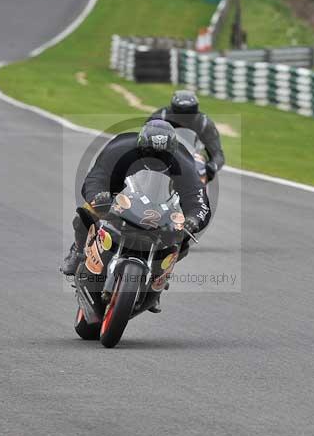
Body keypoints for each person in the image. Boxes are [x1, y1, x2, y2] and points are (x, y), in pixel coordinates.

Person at [61, 120, 211, 311]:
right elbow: (96, 176)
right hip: (119, 196)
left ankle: (156, 286)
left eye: (163, 155)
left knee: (182, 240)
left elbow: (198, 199)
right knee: (86, 212)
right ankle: (78, 251)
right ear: (140, 146)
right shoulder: (120, 149)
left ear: (172, 152)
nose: (156, 158)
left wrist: (193, 219)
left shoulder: (183, 163)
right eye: (150, 153)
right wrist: (98, 195)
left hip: (162, 207)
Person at [148, 90, 225, 182]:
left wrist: (212, 166)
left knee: (202, 171)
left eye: (189, 115)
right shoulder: (161, 117)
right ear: (173, 110)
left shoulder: (204, 123)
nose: (184, 119)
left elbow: (217, 154)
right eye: (180, 114)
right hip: (164, 154)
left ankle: (200, 194)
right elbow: (144, 140)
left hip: (192, 159)